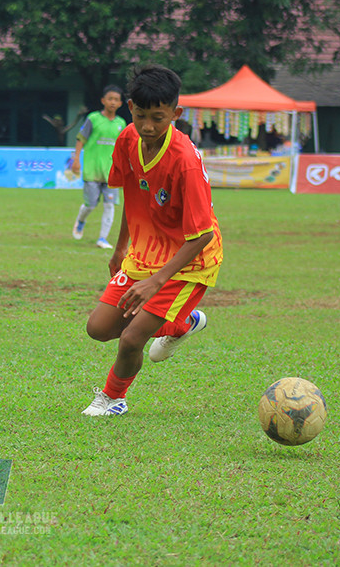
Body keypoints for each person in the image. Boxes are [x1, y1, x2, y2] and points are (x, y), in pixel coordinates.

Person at [81, 65, 223, 417]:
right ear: (130, 107)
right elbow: (135, 197)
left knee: (132, 339)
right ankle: (183, 322)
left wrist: (155, 282)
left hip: (191, 261)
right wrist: (120, 249)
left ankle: (114, 398)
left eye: (158, 118)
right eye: (141, 116)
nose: (148, 126)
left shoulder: (185, 162)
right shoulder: (128, 139)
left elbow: (202, 233)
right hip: (145, 253)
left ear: (176, 114)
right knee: (98, 329)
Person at [71, 85, 127, 249]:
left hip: (112, 172)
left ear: (120, 103)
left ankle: (102, 238)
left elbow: (122, 147)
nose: (112, 102)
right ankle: (81, 220)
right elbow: (81, 139)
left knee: (110, 205)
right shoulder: (93, 118)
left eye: (116, 100)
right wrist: (76, 159)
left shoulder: (121, 123)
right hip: (92, 170)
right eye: (110, 99)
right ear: (103, 101)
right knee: (91, 204)